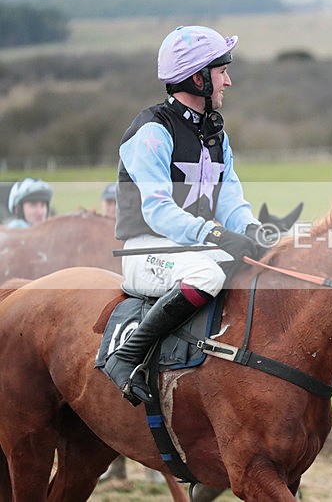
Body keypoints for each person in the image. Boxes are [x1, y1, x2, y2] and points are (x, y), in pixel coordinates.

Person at [101, 25, 262, 407]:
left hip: (191, 248)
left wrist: (253, 229)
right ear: (198, 78)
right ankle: (126, 356)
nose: (228, 81)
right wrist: (215, 235)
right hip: (147, 248)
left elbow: (230, 199)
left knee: (259, 264)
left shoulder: (216, 134)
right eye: (222, 72)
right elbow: (158, 210)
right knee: (208, 274)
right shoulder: (151, 132)